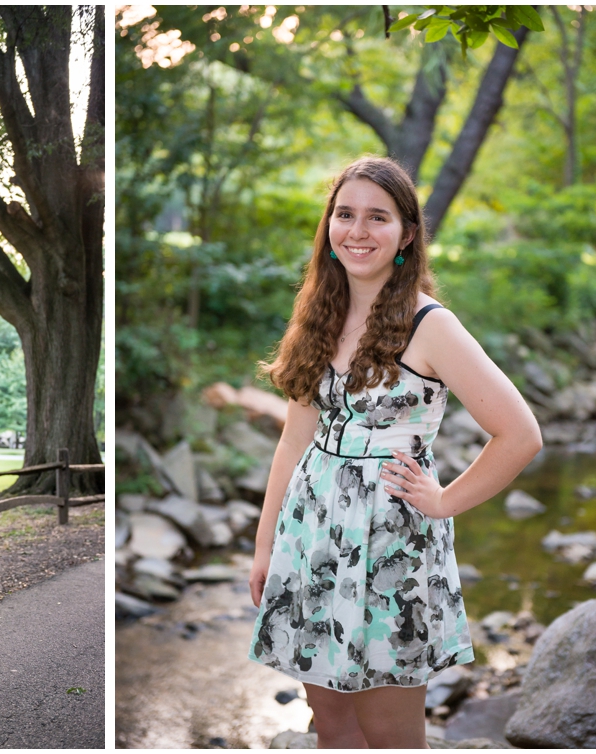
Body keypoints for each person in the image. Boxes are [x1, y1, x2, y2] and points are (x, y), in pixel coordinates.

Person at [247, 157, 541, 748]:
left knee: (387, 730)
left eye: (376, 217)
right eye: (345, 214)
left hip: (389, 539)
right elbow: (294, 437)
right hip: (313, 532)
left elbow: (521, 434)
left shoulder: (430, 325)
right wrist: (265, 545)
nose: (357, 231)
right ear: (328, 226)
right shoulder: (319, 315)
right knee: (331, 721)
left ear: (407, 234)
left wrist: (443, 501)